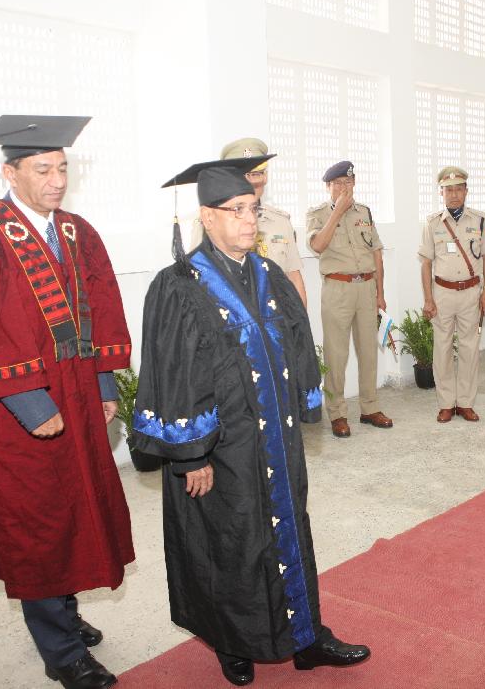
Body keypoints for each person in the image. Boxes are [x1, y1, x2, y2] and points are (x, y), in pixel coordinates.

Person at [134, 156, 371, 687]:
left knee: (290, 531)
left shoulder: (267, 274)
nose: (248, 220)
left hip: (275, 437)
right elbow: (173, 371)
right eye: (236, 210)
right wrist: (191, 454)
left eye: (253, 209)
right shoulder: (180, 285)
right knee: (231, 541)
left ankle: (305, 637)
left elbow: (295, 339)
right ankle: (231, 640)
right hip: (221, 447)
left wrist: (303, 401)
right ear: (207, 217)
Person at [0, 116, 134, 689]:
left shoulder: (76, 231)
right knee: (38, 523)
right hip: (18, 407)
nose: (57, 180)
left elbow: (102, 306)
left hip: (78, 393)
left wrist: (104, 385)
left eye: (63, 168)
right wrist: (30, 402)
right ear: (10, 172)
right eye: (43, 169)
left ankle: (64, 613)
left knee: (76, 508)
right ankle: (60, 649)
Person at [306, 161, 393, 437]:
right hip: (338, 288)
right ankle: (337, 413)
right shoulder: (317, 214)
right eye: (338, 183)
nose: (344, 187)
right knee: (336, 354)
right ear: (328, 186)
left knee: (368, 351)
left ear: (354, 183)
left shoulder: (364, 212)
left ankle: (370, 408)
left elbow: (377, 253)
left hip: (366, 288)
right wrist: (337, 212)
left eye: (348, 182)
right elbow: (318, 245)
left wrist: (380, 293)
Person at [190, 137, 307, 307]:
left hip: (276, 319)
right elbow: (196, 278)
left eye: (256, 174)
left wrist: (301, 321)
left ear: (265, 177)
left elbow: (294, 278)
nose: (250, 181)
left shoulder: (280, 222)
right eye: (242, 175)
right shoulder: (209, 222)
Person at [418, 167, 485, 422]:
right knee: (442, 349)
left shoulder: (480, 220)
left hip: (471, 292)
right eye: (448, 190)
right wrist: (428, 299)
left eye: (458, 189)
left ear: (466, 191)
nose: (453, 194)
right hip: (442, 293)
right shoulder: (432, 223)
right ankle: (446, 403)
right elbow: (426, 263)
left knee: (469, 348)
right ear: (441, 193)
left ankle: (465, 403)